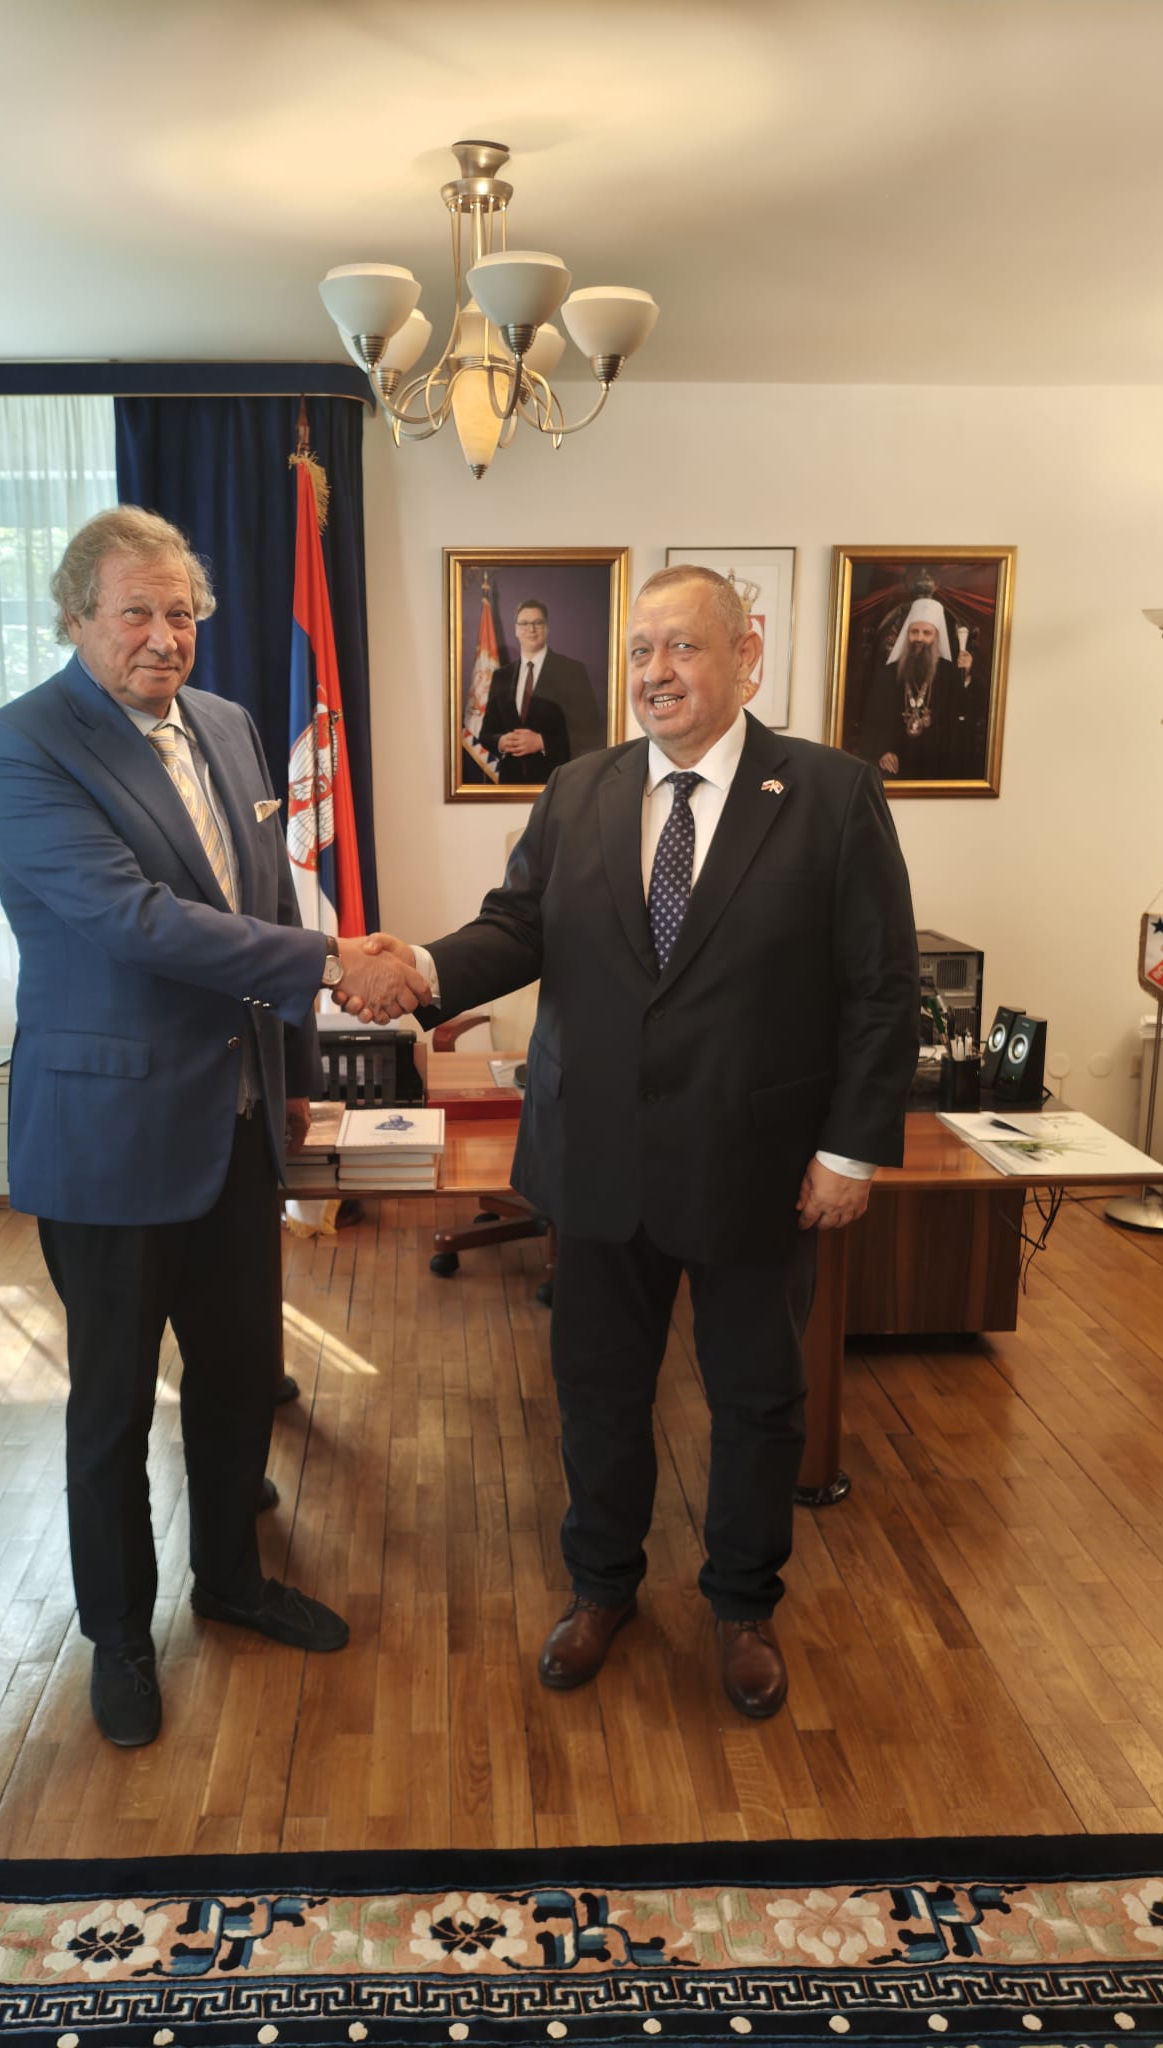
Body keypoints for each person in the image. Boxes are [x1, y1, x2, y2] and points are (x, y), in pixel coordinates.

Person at [358, 566, 916, 1718]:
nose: (656, 672)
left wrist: (852, 1149)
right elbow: (518, 925)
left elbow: (880, 987)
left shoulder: (830, 792)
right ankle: (601, 1585)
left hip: (758, 1165)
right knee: (598, 1391)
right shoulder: (579, 788)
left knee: (758, 1397)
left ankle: (743, 1603)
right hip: (598, 1156)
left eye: (682, 647)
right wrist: (421, 967)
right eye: (640, 652)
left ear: (745, 654)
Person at [0, 506, 426, 1747]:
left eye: (181, 613)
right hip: (110, 1136)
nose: (164, 637)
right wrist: (335, 960)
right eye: (137, 612)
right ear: (76, 618)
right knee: (115, 1407)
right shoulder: (20, 745)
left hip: (238, 1123)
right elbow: (134, 920)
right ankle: (120, 1635)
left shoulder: (225, 724)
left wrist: (296, 1070)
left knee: (236, 1378)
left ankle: (231, 1579)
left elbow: (262, 892)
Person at [853, 596, 984, 782]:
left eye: (926, 633)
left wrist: (967, 675)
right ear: (907, 634)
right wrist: (883, 751)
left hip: (938, 762)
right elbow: (873, 720)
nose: (919, 638)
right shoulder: (889, 673)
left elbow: (962, 714)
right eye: (914, 632)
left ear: (937, 636)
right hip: (896, 762)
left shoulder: (950, 672)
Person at [478, 598, 603, 783]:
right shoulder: (501, 676)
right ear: (516, 630)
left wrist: (542, 742)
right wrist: (500, 742)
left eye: (538, 622)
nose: (531, 629)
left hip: (557, 783)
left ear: (547, 628)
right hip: (510, 786)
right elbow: (486, 734)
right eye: (524, 623)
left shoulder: (571, 671)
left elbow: (591, 732)